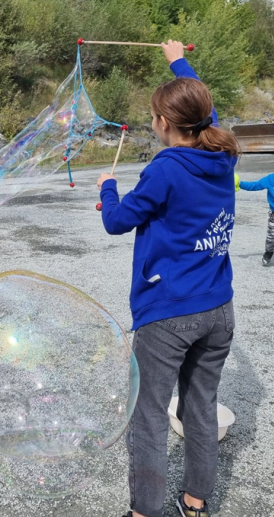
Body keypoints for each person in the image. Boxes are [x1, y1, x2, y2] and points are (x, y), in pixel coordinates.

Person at [97, 40, 239, 517]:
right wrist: (176, 60)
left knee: (149, 417)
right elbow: (207, 108)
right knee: (200, 407)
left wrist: (109, 189)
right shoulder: (223, 154)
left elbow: (117, 221)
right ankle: (195, 503)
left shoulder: (165, 169)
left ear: (163, 124)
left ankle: (144, 512)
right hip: (219, 310)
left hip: (169, 314)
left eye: (155, 115)